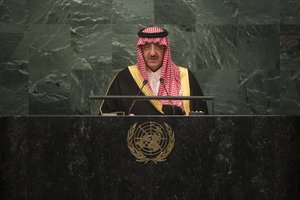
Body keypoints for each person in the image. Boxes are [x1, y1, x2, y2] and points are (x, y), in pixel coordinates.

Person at [100, 26, 208, 115]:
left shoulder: (184, 77)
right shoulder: (125, 78)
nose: (152, 53)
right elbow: (106, 117)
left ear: (165, 50)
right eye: (147, 47)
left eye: (158, 47)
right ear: (140, 50)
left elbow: (202, 120)